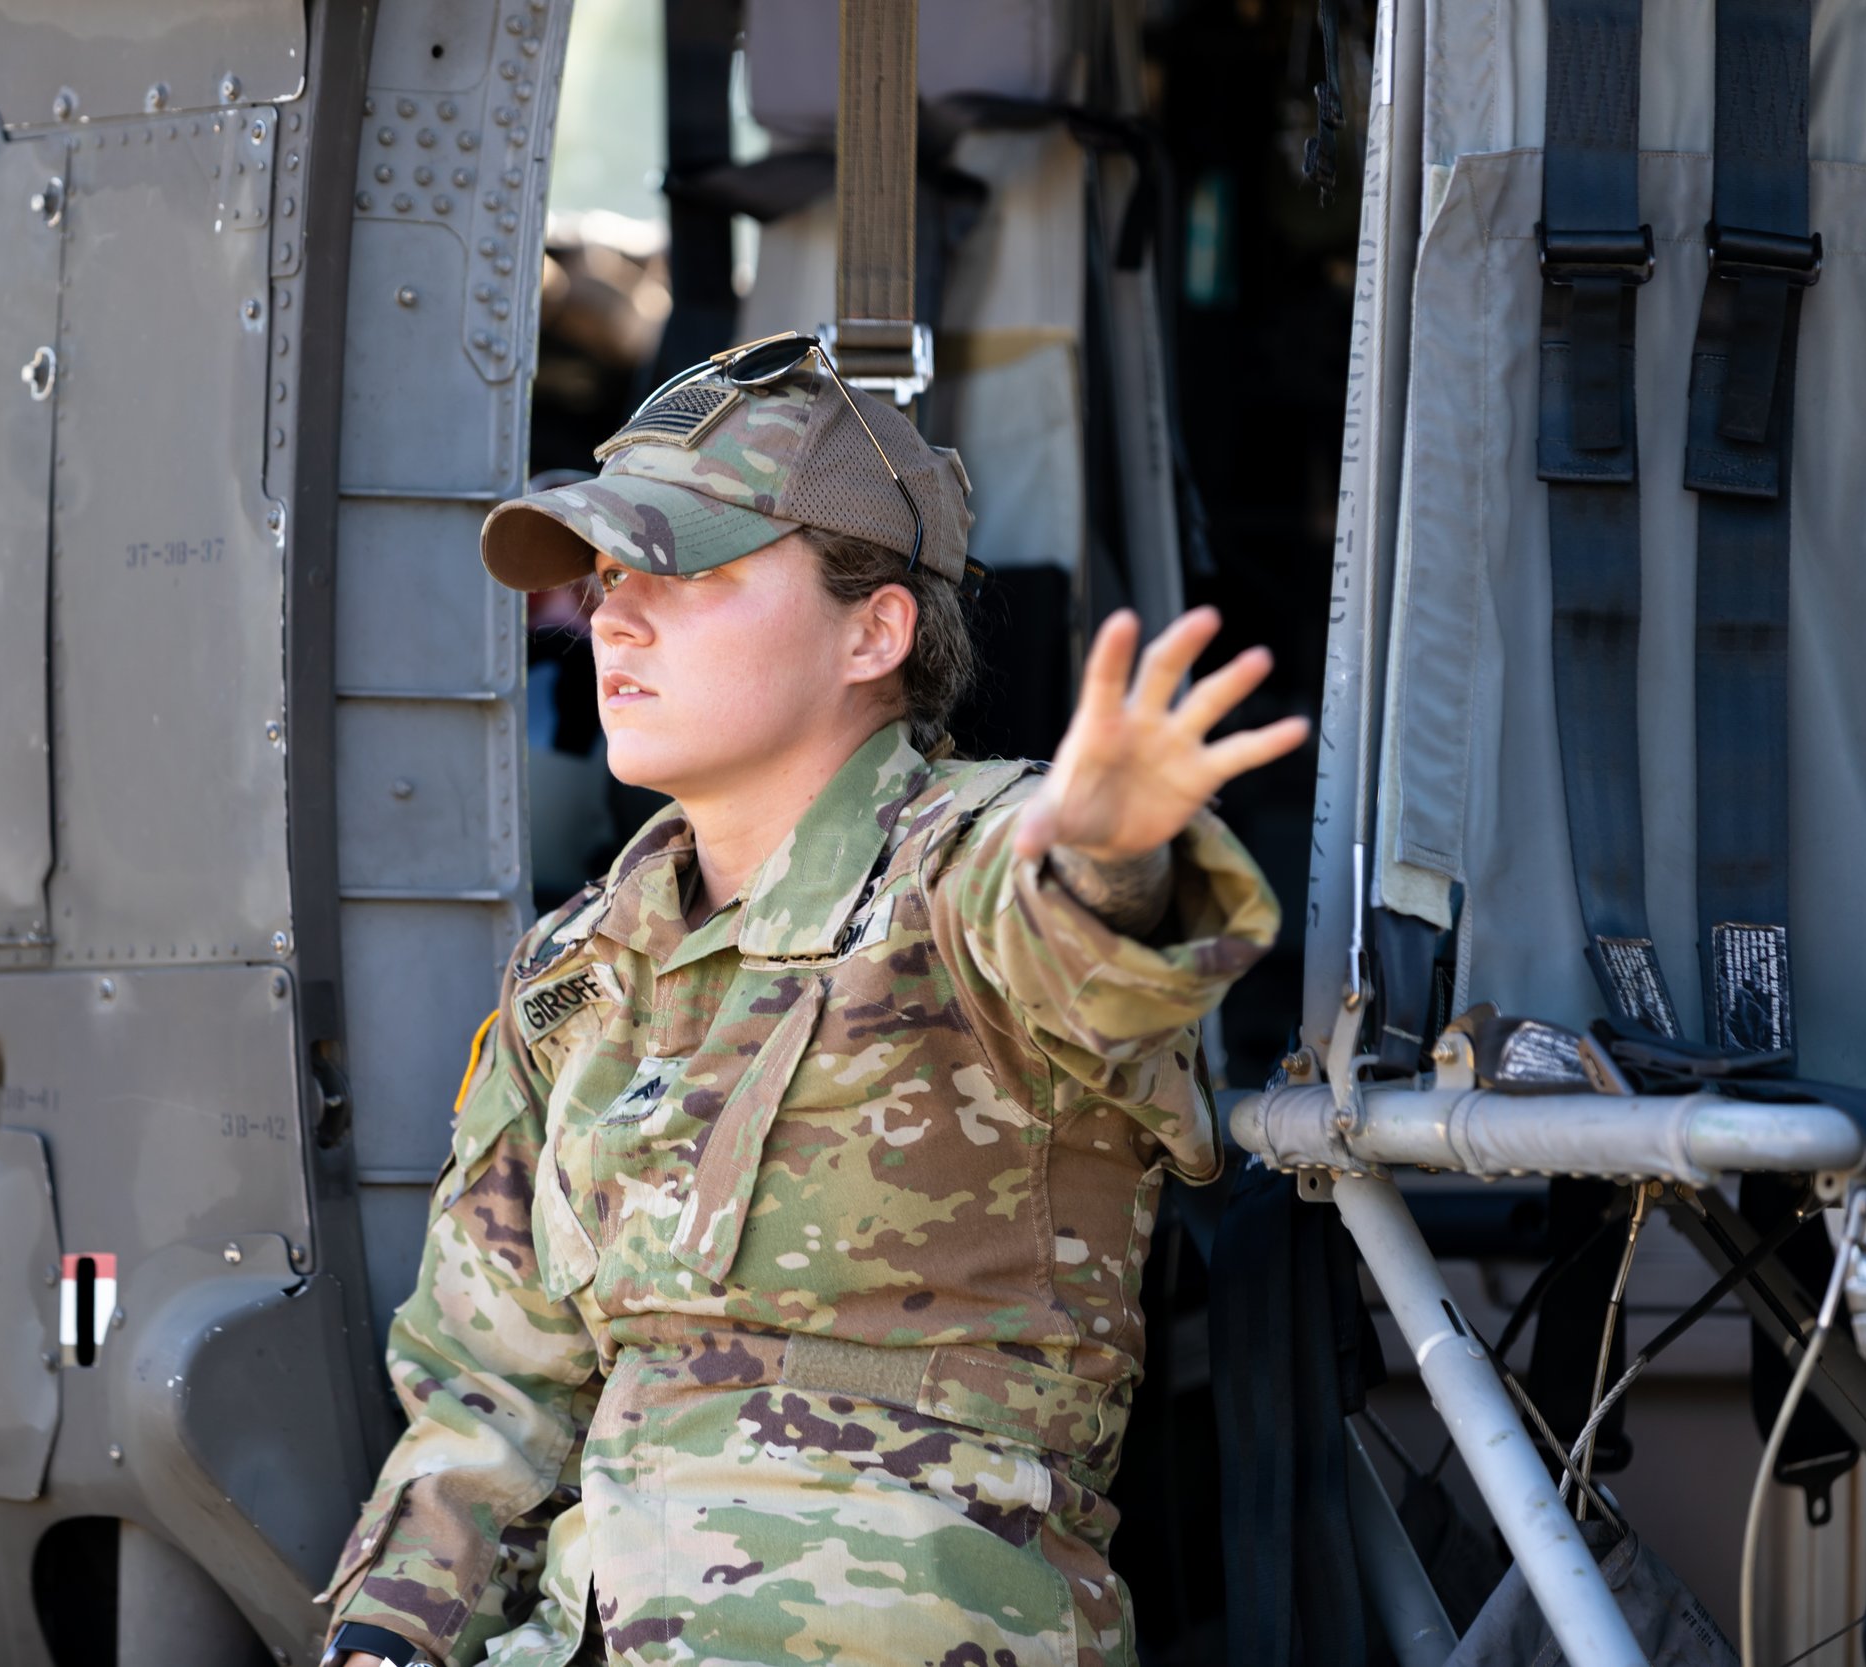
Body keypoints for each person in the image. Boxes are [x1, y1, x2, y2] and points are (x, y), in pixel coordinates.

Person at [318, 334, 1307, 1667]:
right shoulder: (579, 971)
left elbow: (1081, 953)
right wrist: (384, 1639)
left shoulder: (976, 863)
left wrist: (1108, 857)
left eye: (689, 570)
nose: (614, 616)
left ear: (875, 630)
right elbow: (489, 1395)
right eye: (609, 577)